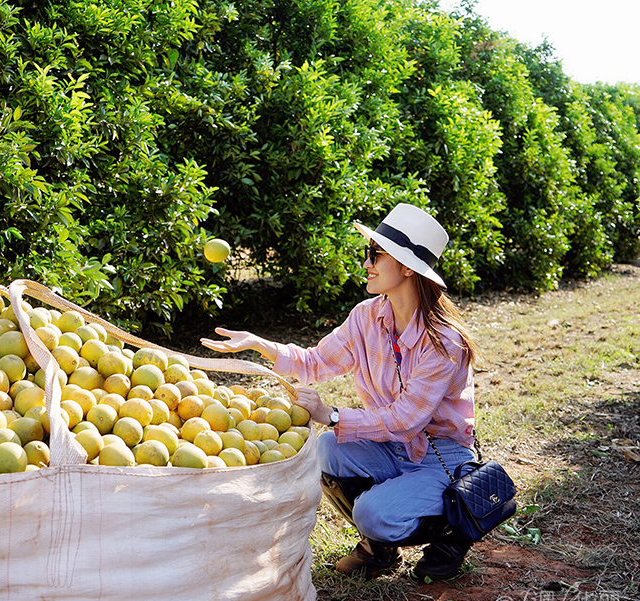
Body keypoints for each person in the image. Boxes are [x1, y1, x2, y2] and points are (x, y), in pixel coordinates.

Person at [201, 203, 480, 581]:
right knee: (325, 450)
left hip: (440, 455)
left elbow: (405, 419)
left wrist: (331, 415)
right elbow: (315, 362)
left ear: (407, 267)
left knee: (372, 513)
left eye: (375, 255)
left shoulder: (444, 342)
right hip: (395, 446)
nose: (366, 263)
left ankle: (451, 533)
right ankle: (382, 548)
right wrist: (258, 344)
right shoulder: (367, 316)